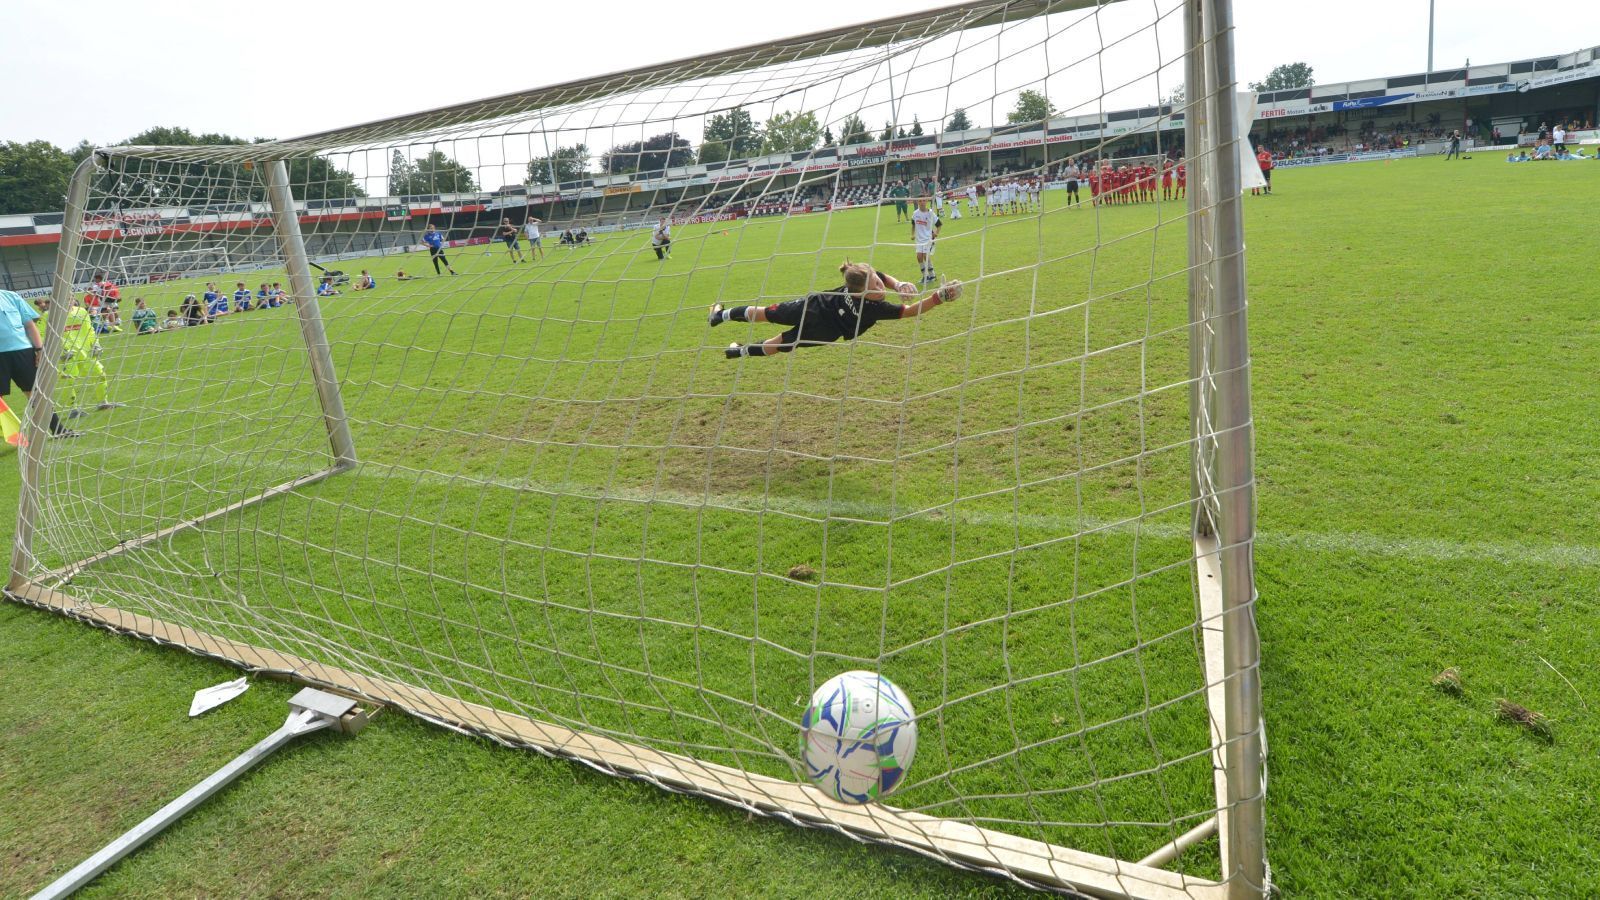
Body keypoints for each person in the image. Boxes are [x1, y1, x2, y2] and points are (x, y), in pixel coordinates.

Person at [707, 262, 962, 359]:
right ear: (859, 291)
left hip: (817, 308)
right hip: (824, 327)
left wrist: (897, 283)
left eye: (878, 283)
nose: (880, 286)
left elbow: (880, 275)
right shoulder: (875, 307)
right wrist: (937, 298)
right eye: (875, 285)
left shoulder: (857, 285)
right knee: (774, 328)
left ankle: (723, 320)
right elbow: (910, 311)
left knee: (774, 329)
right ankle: (734, 345)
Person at [0, 290, 75, 438]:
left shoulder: (10, 296)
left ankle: (58, 429)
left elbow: (29, 325)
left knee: (35, 393)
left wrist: (40, 349)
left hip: (22, 351)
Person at [35, 297, 115, 418]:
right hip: (66, 355)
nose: (67, 301)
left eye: (70, 298)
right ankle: (73, 409)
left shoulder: (82, 311)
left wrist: (96, 344)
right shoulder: (48, 315)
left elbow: (90, 330)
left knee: (100, 373)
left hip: (86, 351)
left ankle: (103, 402)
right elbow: (40, 335)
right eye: (65, 298)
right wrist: (58, 351)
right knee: (69, 380)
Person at [910, 198, 941, 284]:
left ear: (926, 201)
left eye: (924, 200)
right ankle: (925, 276)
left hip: (928, 239)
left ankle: (932, 275)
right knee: (919, 257)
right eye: (920, 201)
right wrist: (912, 234)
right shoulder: (915, 213)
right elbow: (913, 224)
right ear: (917, 202)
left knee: (925, 256)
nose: (922, 202)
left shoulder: (931, 213)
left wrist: (936, 233)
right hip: (919, 240)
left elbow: (939, 224)